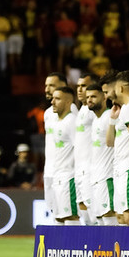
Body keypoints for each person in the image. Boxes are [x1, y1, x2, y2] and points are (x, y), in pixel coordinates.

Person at [106, 71, 129, 226]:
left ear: (120, 88)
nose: (110, 94)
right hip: (121, 171)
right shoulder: (126, 109)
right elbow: (111, 142)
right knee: (121, 218)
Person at [86, 81, 117, 225]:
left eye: (93, 96)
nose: (89, 100)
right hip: (96, 177)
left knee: (110, 216)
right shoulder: (95, 120)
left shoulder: (109, 117)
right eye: (88, 97)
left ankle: (117, 247)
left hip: (107, 176)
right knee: (100, 219)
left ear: (104, 97)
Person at [50, 86, 79, 224]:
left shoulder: (72, 121)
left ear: (68, 102)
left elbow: (79, 149)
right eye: (53, 98)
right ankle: (59, 246)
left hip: (69, 177)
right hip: (57, 176)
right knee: (59, 217)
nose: (52, 102)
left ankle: (76, 245)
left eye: (57, 99)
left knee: (70, 216)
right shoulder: (57, 122)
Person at [42, 72, 69, 221]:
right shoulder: (47, 113)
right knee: (55, 214)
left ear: (63, 87)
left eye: (51, 85)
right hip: (50, 172)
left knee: (69, 215)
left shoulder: (72, 114)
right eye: (46, 85)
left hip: (65, 173)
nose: (47, 89)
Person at [73, 73, 96, 225]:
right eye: (78, 86)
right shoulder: (81, 110)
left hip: (91, 169)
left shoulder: (94, 111)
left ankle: (102, 247)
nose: (80, 90)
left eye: (84, 86)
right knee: (83, 211)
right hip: (79, 169)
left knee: (94, 213)